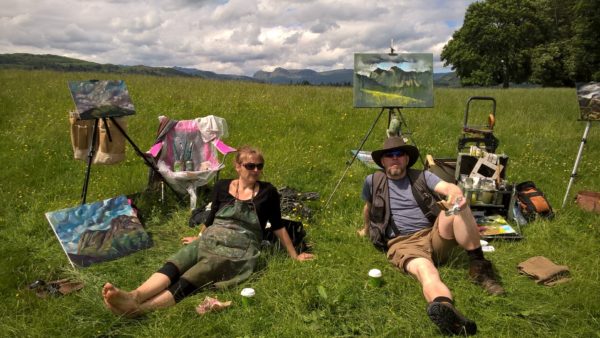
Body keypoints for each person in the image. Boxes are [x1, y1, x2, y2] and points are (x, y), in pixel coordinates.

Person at [103, 146, 314, 317]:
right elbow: (212, 215)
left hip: (239, 248)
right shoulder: (222, 186)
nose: (257, 170)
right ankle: (134, 295)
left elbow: (277, 225)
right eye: (251, 166)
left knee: (200, 270)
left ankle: (138, 310)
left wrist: (294, 256)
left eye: (260, 166)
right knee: (180, 259)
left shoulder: (268, 192)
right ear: (238, 166)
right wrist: (200, 235)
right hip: (212, 236)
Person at [358, 137, 504, 336]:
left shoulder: (422, 176)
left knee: (459, 205)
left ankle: (480, 268)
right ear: (382, 161)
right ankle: (446, 310)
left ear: (406, 158)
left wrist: (456, 197)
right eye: (389, 156)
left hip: (434, 233)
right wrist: (366, 230)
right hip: (403, 243)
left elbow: (449, 188)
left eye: (399, 154)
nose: (394, 159)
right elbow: (368, 207)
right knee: (426, 271)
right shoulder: (373, 181)